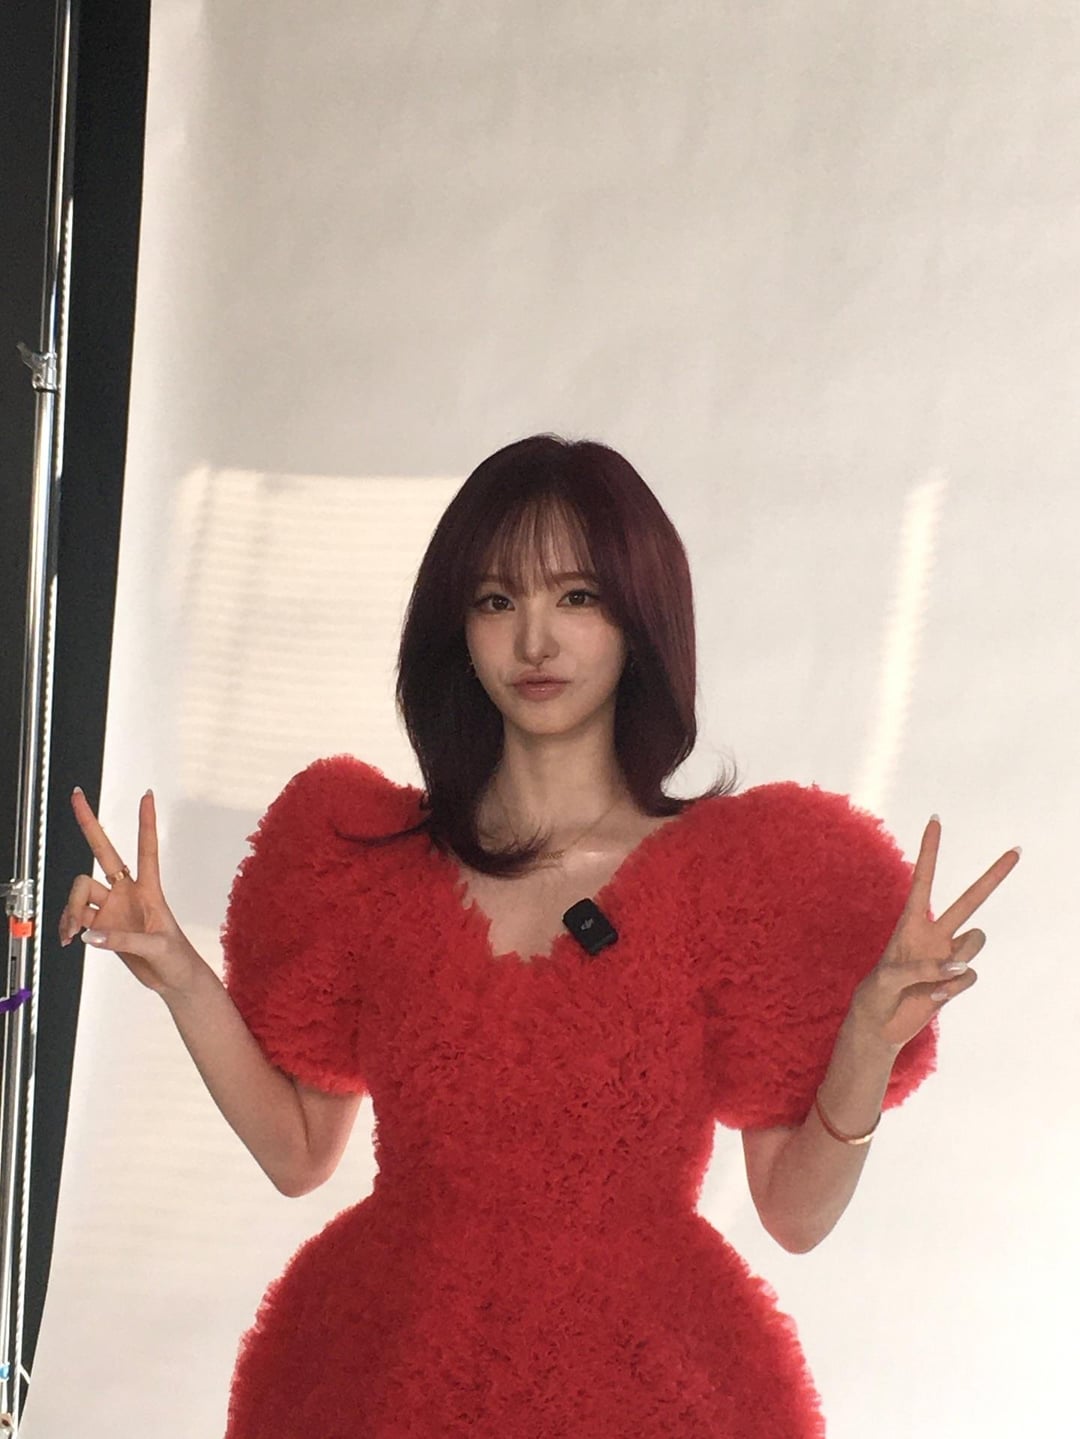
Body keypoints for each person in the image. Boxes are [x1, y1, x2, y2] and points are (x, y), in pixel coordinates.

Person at [60, 434, 1019, 1437]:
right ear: (457, 627)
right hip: (386, 1371)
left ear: (640, 616)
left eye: (577, 596)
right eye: (496, 599)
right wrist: (178, 972)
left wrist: (867, 1037)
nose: (535, 640)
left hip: (644, 1388)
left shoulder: (734, 877)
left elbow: (794, 1214)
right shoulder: (371, 864)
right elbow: (299, 1153)